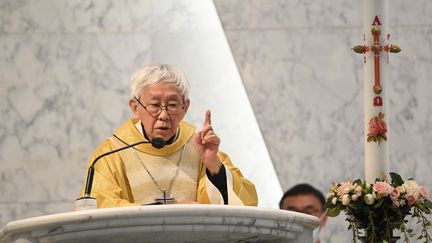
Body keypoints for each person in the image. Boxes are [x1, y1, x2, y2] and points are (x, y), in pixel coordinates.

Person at [79, 64, 258, 208]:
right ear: (135, 107)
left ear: (185, 108)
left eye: (172, 105)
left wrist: (214, 166)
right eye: (155, 105)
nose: (163, 115)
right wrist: (161, 211)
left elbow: (246, 202)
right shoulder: (111, 153)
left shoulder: (201, 148)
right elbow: (100, 205)